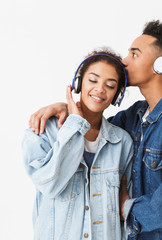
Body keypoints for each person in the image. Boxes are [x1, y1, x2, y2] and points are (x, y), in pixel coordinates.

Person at [29, 20, 162, 240]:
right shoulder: (138, 115)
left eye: (134, 54)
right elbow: (98, 126)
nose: (124, 61)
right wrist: (69, 108)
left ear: (161, 65)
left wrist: (129, 209)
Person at [22, 49, 134, 240]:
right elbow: (50, 184)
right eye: (93, 80)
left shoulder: (122, 142)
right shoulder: (44, 130)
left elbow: (124, 219)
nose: (100, 89)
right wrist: (74, 124)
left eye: (110, 85)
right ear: (78, 82)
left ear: (117, 95)